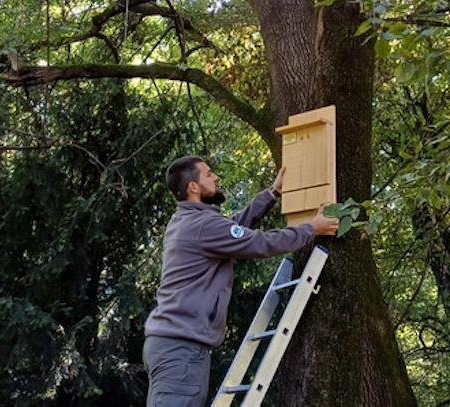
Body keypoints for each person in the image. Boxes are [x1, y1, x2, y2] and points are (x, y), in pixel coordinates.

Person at [143, 155, 339, 407]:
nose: (215, 178)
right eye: (209, 174)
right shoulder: (203, 225)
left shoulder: (189, 221)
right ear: (194, 187)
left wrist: (272, 194)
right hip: (181, 349)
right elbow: (258, 242)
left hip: (176, 346)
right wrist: (311, 229)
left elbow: (234, 228)